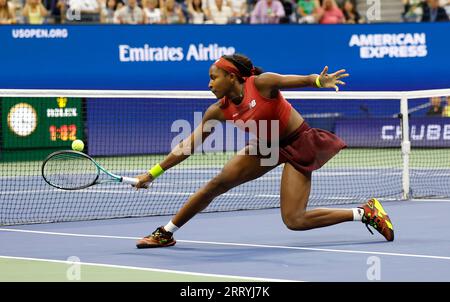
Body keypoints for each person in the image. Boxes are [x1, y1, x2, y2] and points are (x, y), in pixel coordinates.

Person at [134, 53, 395, 248]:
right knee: (216, 184)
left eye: (214, 78)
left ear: (232, 77)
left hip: (297, 142)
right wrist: (152, 173)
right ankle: (165, 233)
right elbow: (187, 146)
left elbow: (295, 79)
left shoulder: (261, 84)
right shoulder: (218, 110)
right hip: (266, 146)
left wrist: (317, 80)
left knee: (295, 220)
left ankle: (364, 212)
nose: (209, 84)